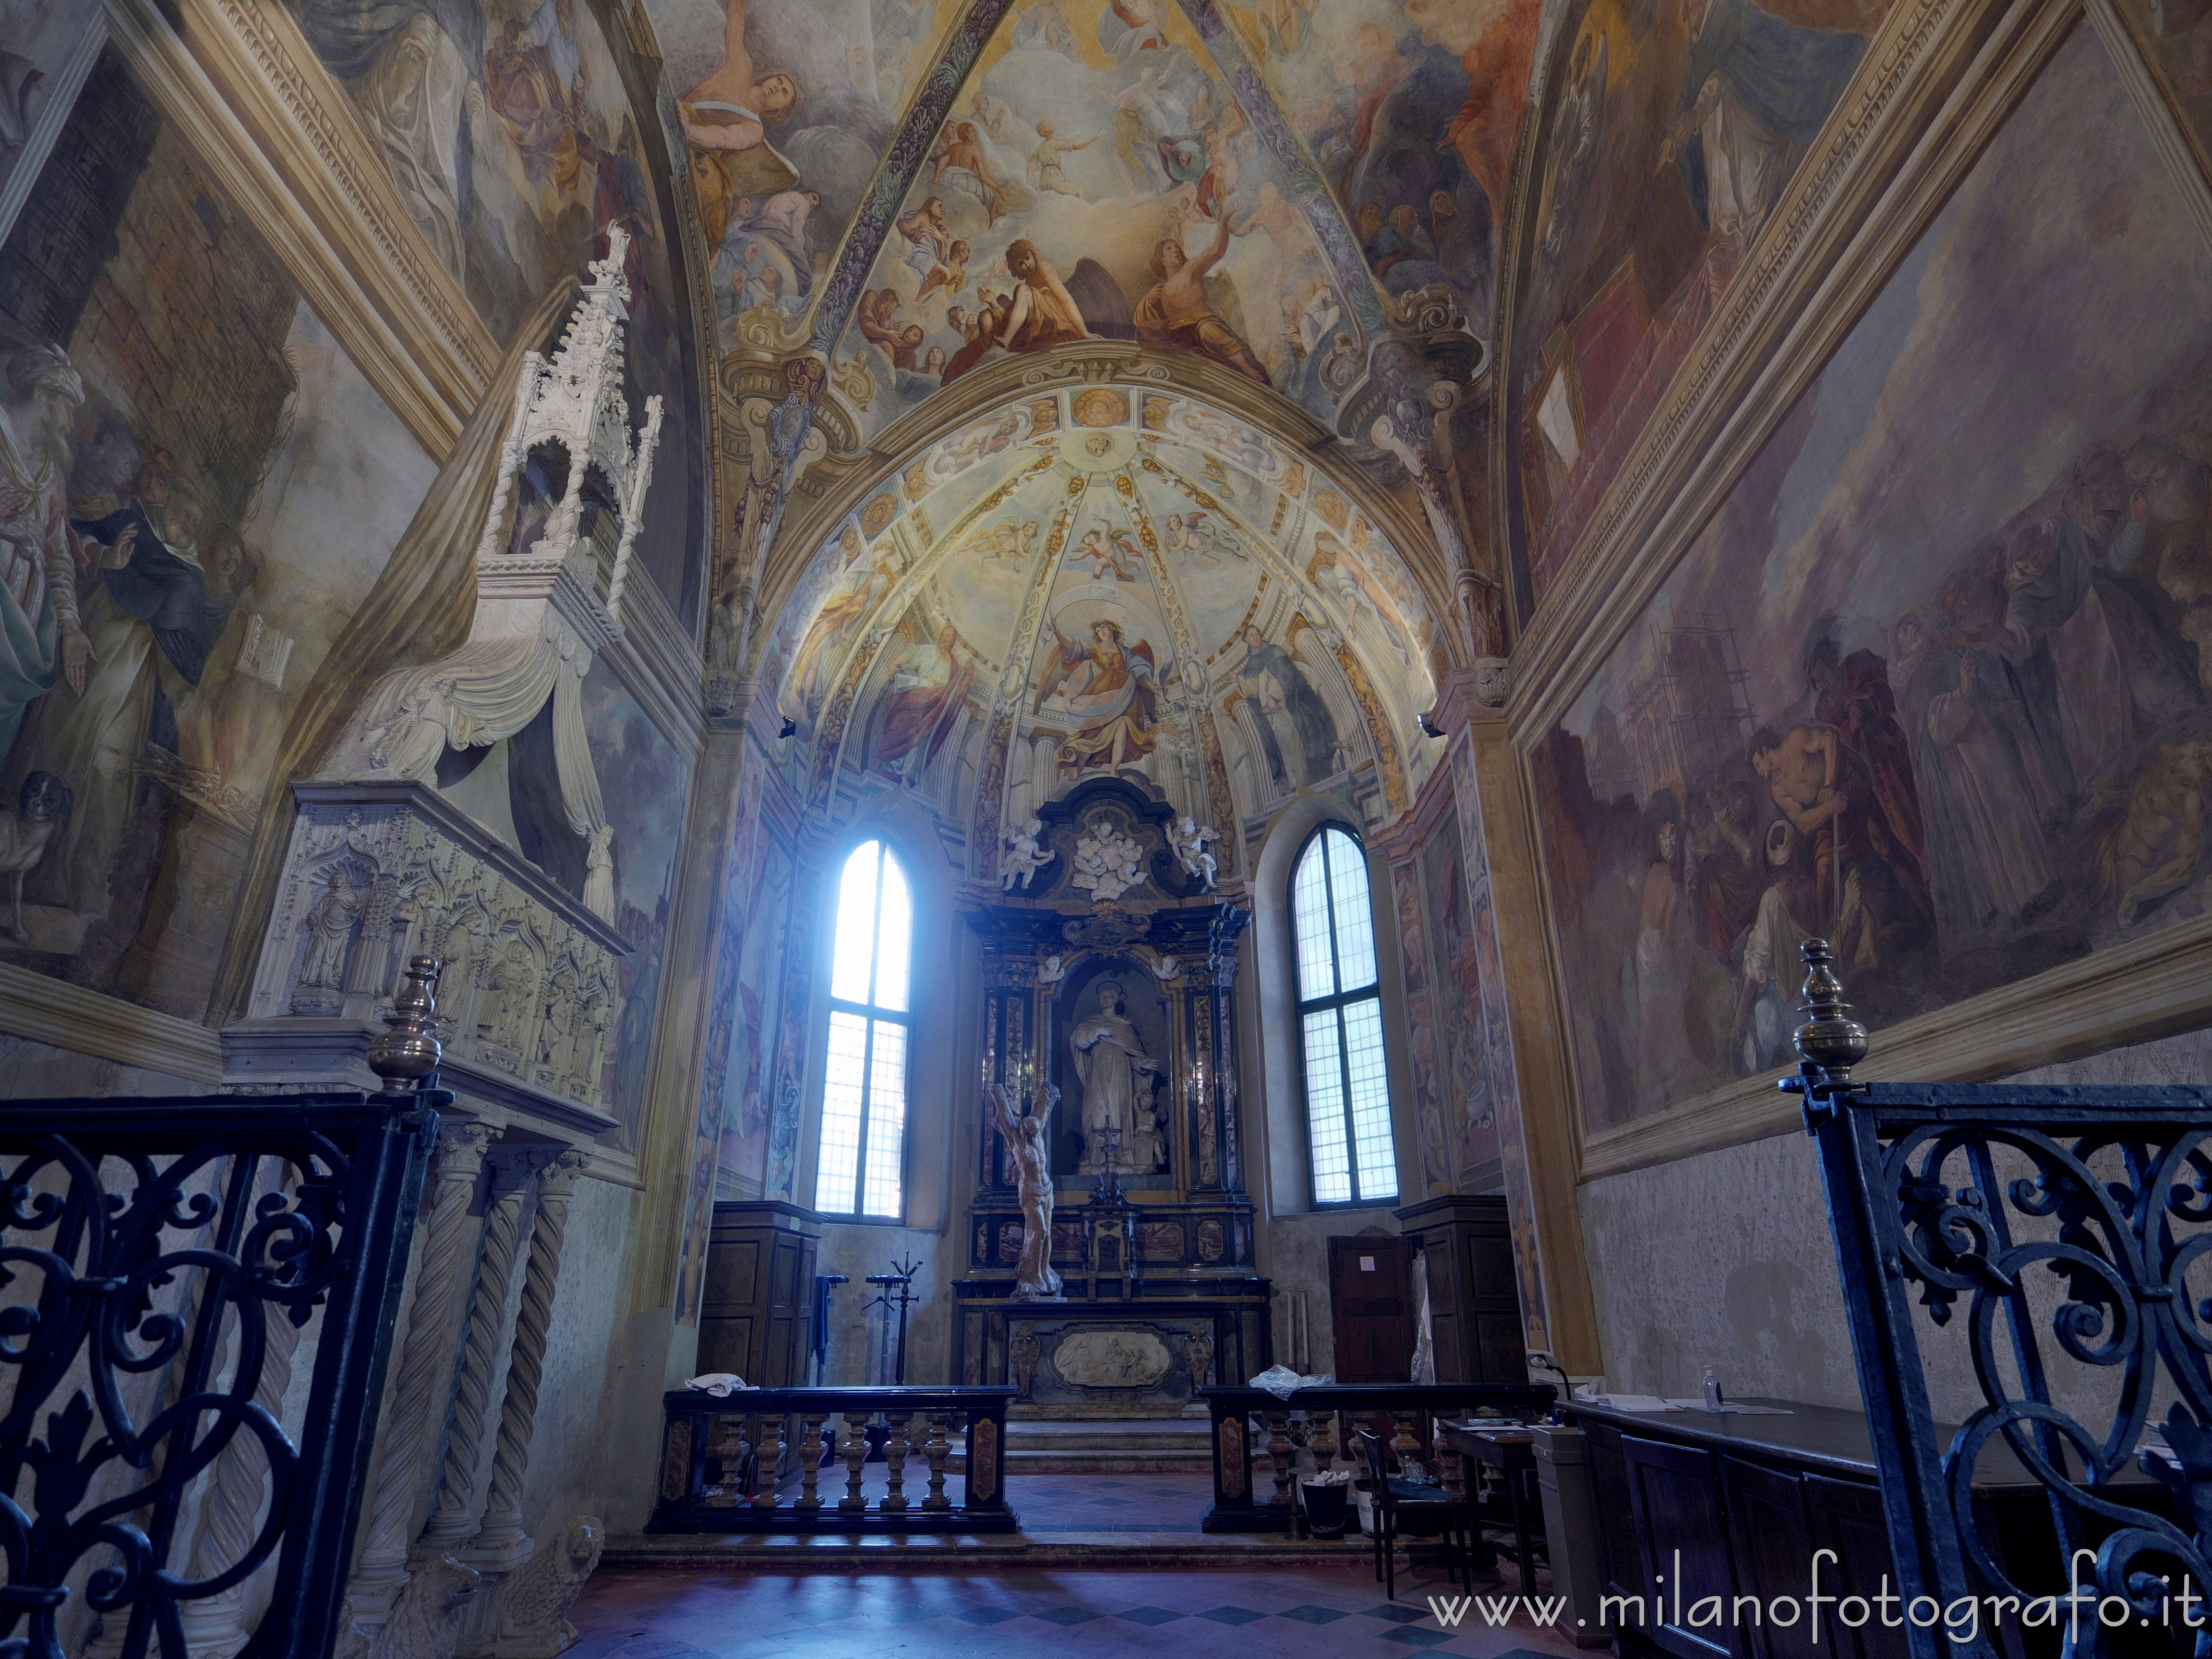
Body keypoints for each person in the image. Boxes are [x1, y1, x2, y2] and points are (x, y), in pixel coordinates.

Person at [1133, 216, 1271, 385]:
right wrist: (1150, 300)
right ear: (1162, 258)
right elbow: (1141, 320)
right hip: (1179, 332)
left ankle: (1246, 368)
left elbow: (1216, 251)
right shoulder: (1162, 289)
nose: (1175, 250)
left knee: (1210, 331)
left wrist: (1224, 222)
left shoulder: (1191, 269)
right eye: (1169, 248)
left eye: (1176, 247)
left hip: (1201, 322)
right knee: (1145, 332)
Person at [1045, 618, 1159, 772]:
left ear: (1112, 629)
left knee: (1123, 727)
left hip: (1124, 698)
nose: (1101, 632)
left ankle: (1113, 770)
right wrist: (1057, 631)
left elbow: (1140, 675)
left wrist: (1156, 690)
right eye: (1098, 631)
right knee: (1093, 733)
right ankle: (1079, 765)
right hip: (1101, 698)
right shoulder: (1094, 649)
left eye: (1104, 628)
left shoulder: (1125, 652)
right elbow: (1072, 646)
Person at [1070, 981, 1159, 1174]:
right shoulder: (1092, 1022)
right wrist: (1097, 1032)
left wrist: (1141, 1063)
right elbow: (1078, 1040)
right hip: (1098, 1077)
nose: (1105, 998)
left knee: (1119, 1112)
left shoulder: (1125, 1027)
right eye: (1102, 996)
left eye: (1109, 996)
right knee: (1093, 1113)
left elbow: (1134, 1054)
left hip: (1120, 1076)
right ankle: (1097, 1155)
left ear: (1117, 999)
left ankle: (1120, 1155)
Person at [986, 1081, 1063, 1299]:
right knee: (1039, 1232)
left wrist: (1048, 1094)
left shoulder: (1038, 1141)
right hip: (1030, 1191)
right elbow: (1004, 1119)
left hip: (1047, 1191)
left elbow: (1042, 1113)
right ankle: (1030, 1275)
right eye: (1030, 1133)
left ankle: (1045, 1273)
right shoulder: (1017, 1142)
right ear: (1023, 1131)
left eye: (1036, 1132)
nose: (1033, 1135)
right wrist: (998, 1094)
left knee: (1047, 1237)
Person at [1234, 625, 1336, 784]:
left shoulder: (1275, 651)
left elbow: (1287, 676)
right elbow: (1255, 690)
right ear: (1246, 640)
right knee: (1288, 744)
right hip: (1274, 712)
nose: (1256, 637)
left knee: (1303, 732)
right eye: (1251, 635)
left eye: (1257, 633)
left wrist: (1277, 695)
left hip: (1292, 702)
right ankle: (1297, 781)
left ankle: (1315, 769)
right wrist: (1238, 681)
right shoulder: (1252, 666)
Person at [995, 240, 1089, 352]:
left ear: (1033, 255)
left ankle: (1006, 340)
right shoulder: (1027, 288)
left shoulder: (1044, 269)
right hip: (1039, 327)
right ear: (1017, 271)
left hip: (1056, 322)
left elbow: (1065, 300)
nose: (1027, 265)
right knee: (1021, 292)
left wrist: (1084, 332)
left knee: (1022, 290)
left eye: (1027, 258)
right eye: (1021, 265)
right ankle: (1006, 341)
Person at [1029, 121, 1099, 197]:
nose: (1052, 123)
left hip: (1044, 180)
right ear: (1045, 129)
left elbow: (1031, 163)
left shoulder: (1040, 148)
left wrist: (1030, 180)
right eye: (1049, 123)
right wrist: (1091, 140)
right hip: (1054, 176)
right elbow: (1075, 146)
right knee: (1077, 192)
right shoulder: (1055, 143)